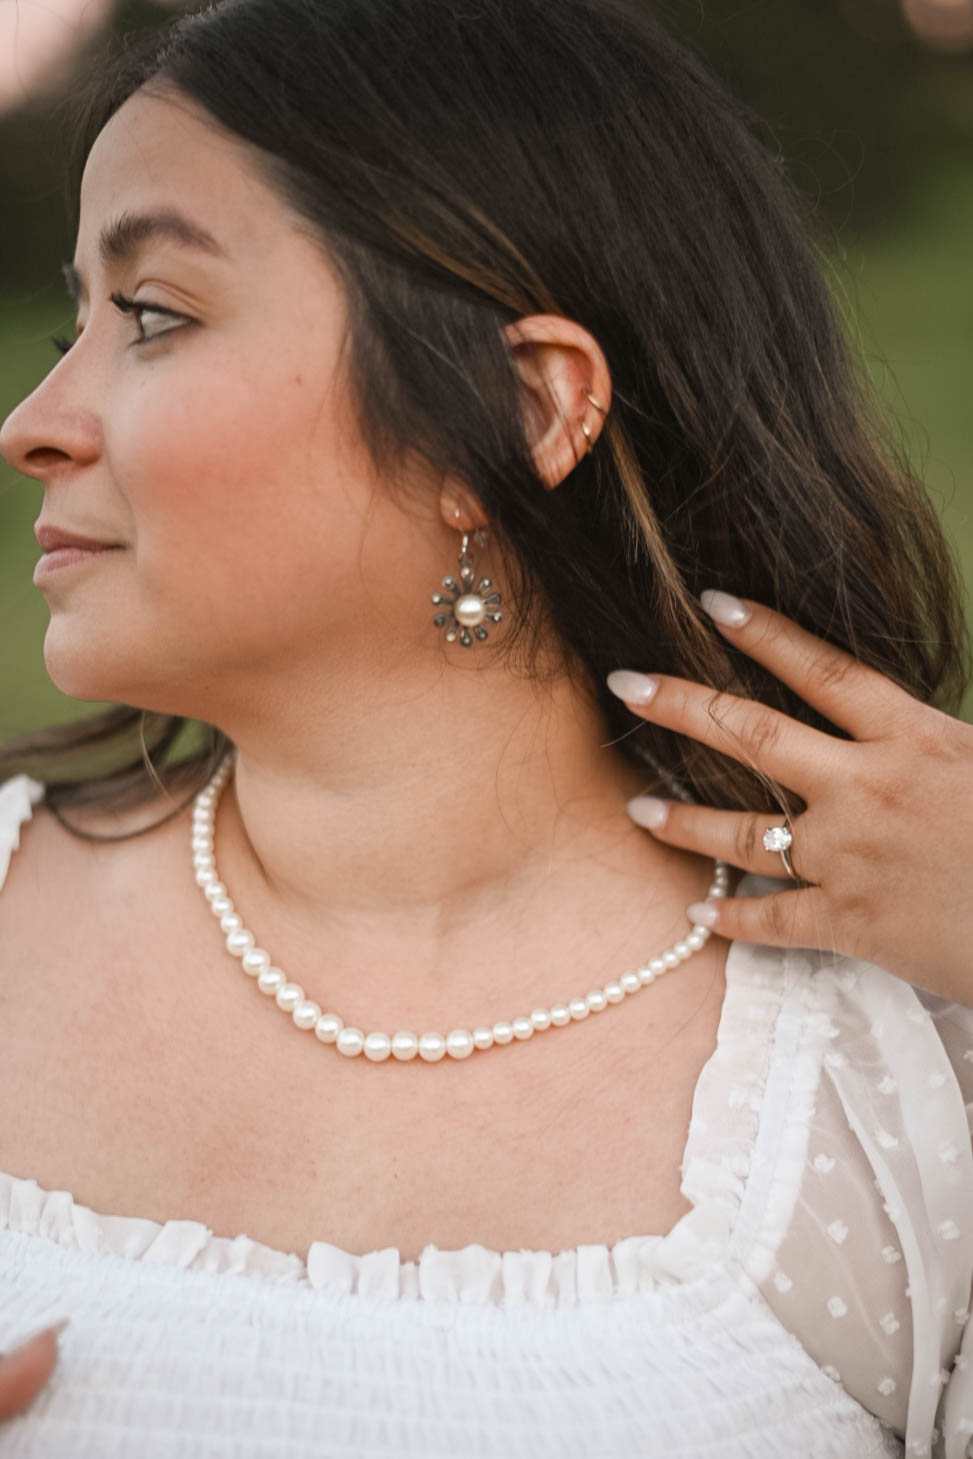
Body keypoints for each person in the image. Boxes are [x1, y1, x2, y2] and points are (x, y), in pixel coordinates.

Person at [0, 0, 970, 1453]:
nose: (33, 419)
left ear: (519, 409)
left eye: (151, 315)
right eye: (76, 316)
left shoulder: (895, 1075)